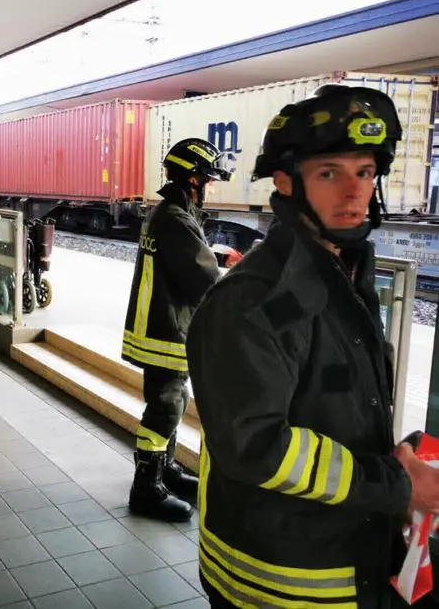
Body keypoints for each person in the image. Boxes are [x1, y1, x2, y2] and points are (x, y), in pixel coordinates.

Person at [186, 85, 439, 607]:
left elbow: (330, 407)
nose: (353, 192)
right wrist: (395, 483)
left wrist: (396, 457)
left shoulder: (341, 277)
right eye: (329, 173)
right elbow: (256, 445)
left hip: (338, 557)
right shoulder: (253, 300)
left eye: (364, 172)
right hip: (279, 581)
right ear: (285, 182)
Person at [122, 138, 232, 522]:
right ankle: (146, 488)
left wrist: (212, 254)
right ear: (192, 178)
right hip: (166, 330)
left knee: (174, 399)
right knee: (166, 404)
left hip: (159, 324)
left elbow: (187, 257)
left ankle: (165, 470)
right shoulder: (176, 218)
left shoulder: (168, 213)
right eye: (208, 179)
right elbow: (204, 277)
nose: (211, 187)